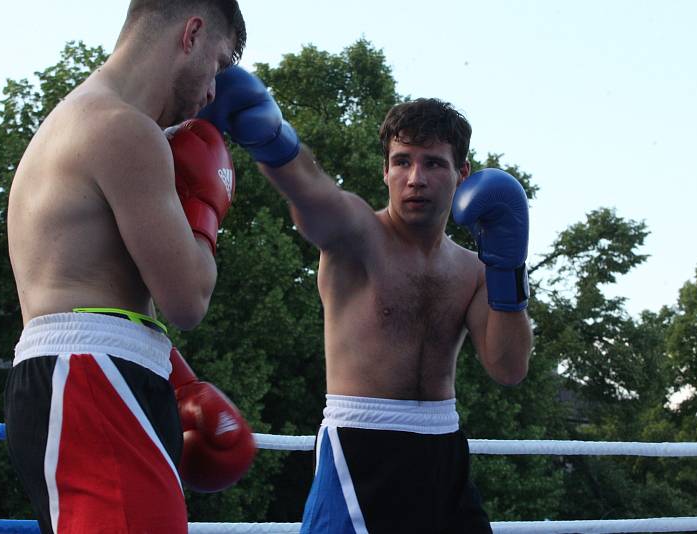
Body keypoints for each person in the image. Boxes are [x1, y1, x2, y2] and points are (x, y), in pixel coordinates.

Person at [199, 67, 534, 533]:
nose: (415, 178)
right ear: (385, 170)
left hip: (444, 449)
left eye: (433, 163)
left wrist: (509, 269)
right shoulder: (358, 235)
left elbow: (508, 367)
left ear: (462, 174)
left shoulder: (475, 271)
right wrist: (272, 140)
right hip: (362, 446)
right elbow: (311, 194)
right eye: (402, 161)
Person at [4, 2, 254, 533]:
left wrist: (178, 379)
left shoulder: (80, 118)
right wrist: (208, 204)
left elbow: (92, 288)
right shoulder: (125, 130)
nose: (213, 90)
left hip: (84, 376)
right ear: (192, 32)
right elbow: (187, 300)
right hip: (94, 380)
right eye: (219, 64)